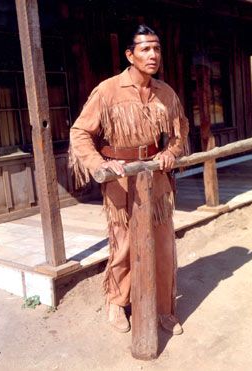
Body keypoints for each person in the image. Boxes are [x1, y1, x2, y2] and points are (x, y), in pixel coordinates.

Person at [69, 24, 189, 335]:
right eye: (146, 49)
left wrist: (169, 152)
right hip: (120, 180)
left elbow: (179, 133)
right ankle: (117, 301)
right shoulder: (107, 91)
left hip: (155, 176)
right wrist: (100, 163)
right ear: (129, 54)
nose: (153, 55)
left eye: (157, 48)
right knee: (123, 246)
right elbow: (80, 132)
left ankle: (164, 308)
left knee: (162, 244)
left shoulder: (166, 92)